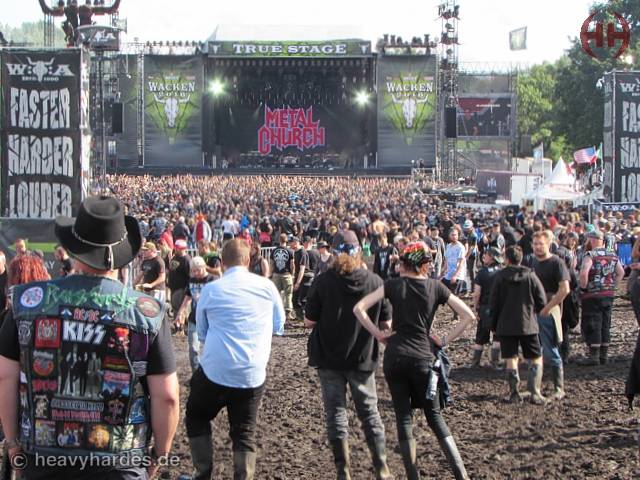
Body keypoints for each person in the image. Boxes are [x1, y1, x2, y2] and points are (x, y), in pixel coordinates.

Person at [0, 196, 179, 479]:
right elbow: (167, 396)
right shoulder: (147, 312)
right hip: (121, 462)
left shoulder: (27, 302)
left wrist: (12, 443)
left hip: (44, 459)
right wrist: (159, 455)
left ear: (74, 248)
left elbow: (5, 377)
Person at [354, 242, 475, 480]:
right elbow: (468, 316)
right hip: (423, 357)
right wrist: (444, 339)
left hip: (395, 357)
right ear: (425, 264)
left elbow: (359, 308)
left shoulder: (393, 285)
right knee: (435, 417)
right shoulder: (435, 287)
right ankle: (461, 475)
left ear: (405, 263)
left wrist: (379, 334)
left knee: (403, 417)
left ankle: (412, 476)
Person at [186, 239, 285, 480]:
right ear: (248, 260)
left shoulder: (211, 289)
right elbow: (279, 325)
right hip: (251, 373)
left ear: (222, 262)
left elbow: (202, 331)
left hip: (215, 370)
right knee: (244, 432)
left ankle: (203, 472)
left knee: (196, 415)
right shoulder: (267, 287)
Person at [304, 231, 392, 480]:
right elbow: (387, 323)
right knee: (370, 413)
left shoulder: (323, 281)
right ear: (359, 251)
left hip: (328, 357)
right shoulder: (375, 281)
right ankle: (382, 469)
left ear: (334, 252)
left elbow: (309, 321)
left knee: (336, 415)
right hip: (362, 357)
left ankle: (343, 472)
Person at [490, 246, 547, 403]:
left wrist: (493, 326)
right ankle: (535, 393)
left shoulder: (500, 277)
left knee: (511, 358)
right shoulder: (531, 276)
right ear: (520, 258)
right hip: (528, 324)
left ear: (507, 259)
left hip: (506, 325)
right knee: (536, 357)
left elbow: (494, 303)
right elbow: (541, 300)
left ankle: (514, 394)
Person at [530, 230, 570, 401]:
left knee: (550, 349)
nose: (538, 247)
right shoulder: (534, 262)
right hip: (534, 311)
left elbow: (565, 289)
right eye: (535, 244)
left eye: (541, 244)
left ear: (548, 244)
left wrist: (548, 307)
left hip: (549, 311)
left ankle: (559, 389)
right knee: (535, 349)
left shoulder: (556, 263)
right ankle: (534, 389)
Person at [577, 231, 625, 366]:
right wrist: (612, 286)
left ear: (592, 240)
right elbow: (621, 273)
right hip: (608, 294)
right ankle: (604, 356)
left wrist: (583, 288)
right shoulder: (612, 255)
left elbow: (584, 273)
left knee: (593, 322)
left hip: (592, 294)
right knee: (605, 322)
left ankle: (594, 356)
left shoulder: (590, 255)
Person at [175, 256, 216, 372]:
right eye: (193, 271)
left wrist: (203, 298)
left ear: (204, 267)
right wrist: (180, 313)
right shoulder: (192, 280)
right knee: (193, 348)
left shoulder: (212, 280)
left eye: (198, 270)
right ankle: (196, 374)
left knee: (210, 348)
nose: (195, 273)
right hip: (194, 318)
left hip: (210, 319)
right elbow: (187, 297)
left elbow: (218, 299)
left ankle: (211, 374)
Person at [470, 247, 503, 368]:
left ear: (492, 257)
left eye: (486, 255)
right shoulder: (502, 271)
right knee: (497, 335)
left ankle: (475, 362)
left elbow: (477, 293)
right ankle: (495, 361)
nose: (484, 256)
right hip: (499, 308)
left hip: (485, 308)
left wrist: (476, 306)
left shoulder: (482, 272)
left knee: (480, 335)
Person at [270, 234, 295, 321]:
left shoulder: (274, 251)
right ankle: (288, 314)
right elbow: (292, 265)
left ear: (279, 240)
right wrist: (292, 274)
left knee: (277, 294)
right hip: (286, 274)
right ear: (286, 240)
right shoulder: (290, 251)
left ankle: (277, 312)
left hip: (276, 274)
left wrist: (271, 274)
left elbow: (271, 264)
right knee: (288, 294)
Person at [167, 239, 191, 320]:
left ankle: (181, 325)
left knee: (179, 309)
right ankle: (177, 323)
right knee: (175, 307)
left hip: (181, 288)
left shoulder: (186, 260)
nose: (177, 250)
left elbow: (190, 276)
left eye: (179, 248)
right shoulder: (175, 257)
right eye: (176, 248)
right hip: (173, 288)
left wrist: (186, 290)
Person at [442, 229, 466, 295]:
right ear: (449, 236)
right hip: (448, 275)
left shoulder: (460, 247)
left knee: (454, 296)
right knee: (445, 295)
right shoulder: (448, 246)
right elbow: (446, 261)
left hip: (457, 276)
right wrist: (442, 273)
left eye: (455, 235)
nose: (454, 237)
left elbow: (461, 263)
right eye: (452, 235)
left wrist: (455, 276)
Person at [290, 237, 309, 322]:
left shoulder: (302, 252)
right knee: (294, 299)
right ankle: (299, 318)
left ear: (295, 242)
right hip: (297, 277)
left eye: (291, 242)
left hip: (303, 278)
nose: (289, 244)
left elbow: (302, 269)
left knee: (301, 300)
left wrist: (297, 283)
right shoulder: (295, 252)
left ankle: (304, 319)